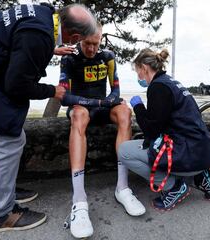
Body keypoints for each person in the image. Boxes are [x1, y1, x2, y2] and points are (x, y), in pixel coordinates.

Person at [0, 3, 97, 232]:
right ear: (74, 36)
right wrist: (53, 91)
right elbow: (16, 85)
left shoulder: (43, 15)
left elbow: (17, 40)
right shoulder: (39, 36)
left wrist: (50, 49)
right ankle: (3, 215)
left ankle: (4, 192)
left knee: (0, 137)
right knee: (6, 140)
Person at [59, 23, 146, 239]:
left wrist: (108, 101)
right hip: (82, 108)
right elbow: (65, 97)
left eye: (95, 44)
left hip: (101, 107)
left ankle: (122, 188)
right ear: (80, 39)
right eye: (87, 44)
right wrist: (99, 101)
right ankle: (79, 200)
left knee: (125, 111)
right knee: (78, 115)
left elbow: (115, 89)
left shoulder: (107, 56)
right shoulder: (69, 58)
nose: (91, 49)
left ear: (100, 40)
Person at [118, 48, 210, 211]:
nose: (139, 78)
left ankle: (174, 186)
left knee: (124, 151)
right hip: (201, 151)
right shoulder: (171, 82)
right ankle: (200, 174)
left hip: (186, 153)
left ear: (144, 68)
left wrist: (137, 106)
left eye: (138, 73)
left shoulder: (158, 87)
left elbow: (151, 131)